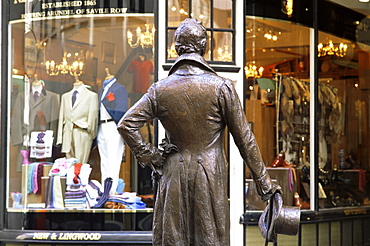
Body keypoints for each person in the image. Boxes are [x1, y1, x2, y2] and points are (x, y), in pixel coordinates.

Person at [118, 18, 280, 246]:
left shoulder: (160, 89)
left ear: (176, 48)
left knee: (173, 238)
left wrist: (152, 156)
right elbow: (245, 140)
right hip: (209, 175)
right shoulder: (221, 87)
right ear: (204, 46)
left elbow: (126, 124)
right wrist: (265, 185)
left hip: (173, 173)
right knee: (210, 238)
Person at [97, 68, 128, 195]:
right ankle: (105, 189)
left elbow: (121, 110)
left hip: (112, 125)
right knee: (104, 158)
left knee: (114, 158)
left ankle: (112, 189)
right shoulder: (100, 91)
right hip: (101, 126)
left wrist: (121, 130)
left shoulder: (119, 89)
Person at [57, 76, 98, 164]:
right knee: (68, 164)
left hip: (82, 132)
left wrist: (92, 134)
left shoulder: (91, 96)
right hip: (67, 133)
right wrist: (60, 138)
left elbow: (93, 117)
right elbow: (61, 118)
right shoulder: (65, 96)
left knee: (81, 164)